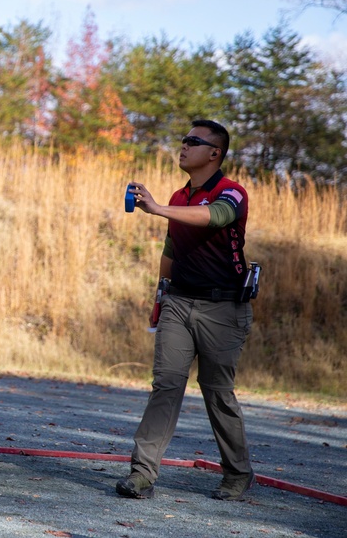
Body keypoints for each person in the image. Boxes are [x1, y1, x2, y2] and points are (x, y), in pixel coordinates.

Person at [117, 119, 256, 502]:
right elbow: (171, 252)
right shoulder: (179, 198)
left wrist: (158, 208)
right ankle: (142, 473)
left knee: (217, 392)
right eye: (183, 140)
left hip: (224, 308)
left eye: (193, 141)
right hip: (179, 301)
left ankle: (237, 473)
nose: (183, 145)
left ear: (215, 153)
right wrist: (159, 300)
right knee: (166, 385)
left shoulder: (233, 193)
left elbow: (216, 217)